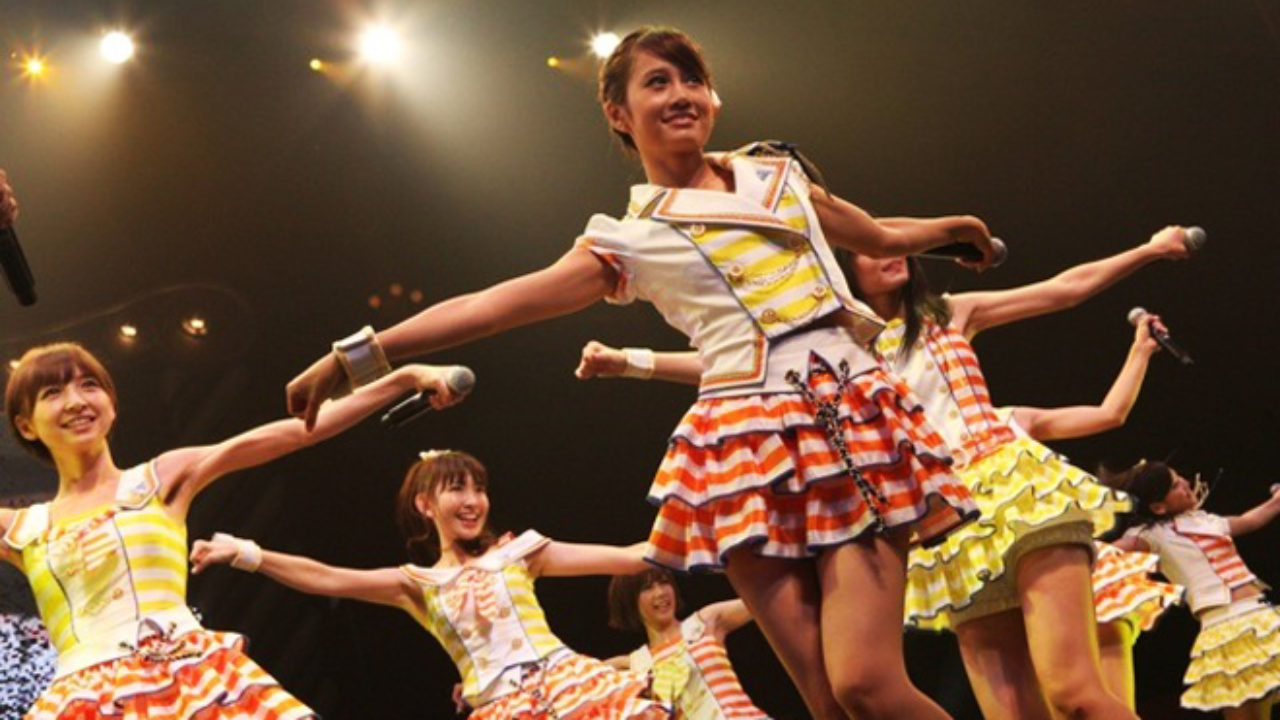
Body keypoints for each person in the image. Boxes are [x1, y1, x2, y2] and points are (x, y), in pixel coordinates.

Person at [285, 26, 996, 720]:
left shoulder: (778, 174)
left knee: (866, 685)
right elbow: (491, 306)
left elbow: (876, 234)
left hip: (846, 419)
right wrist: (358, 356)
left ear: (713, 98)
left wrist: (954, 229)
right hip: (742, 453)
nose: (681, 94)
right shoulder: (629, 237)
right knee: (828, 703)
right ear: (619, 115)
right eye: (658, 82)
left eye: (693, 80)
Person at [576, 314, 1183, 711]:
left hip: (998, 509)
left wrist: (1143, 301)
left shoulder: (1007, 422)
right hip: (952, 533)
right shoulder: (856, 386)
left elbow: (1097, 383)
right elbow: (740, 363)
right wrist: (634, 362)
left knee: (1077, 692)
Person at [0, 341, 463, 720]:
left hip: (192, 683)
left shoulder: (158, 479)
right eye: (52, 393)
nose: (77, 401)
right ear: (26, 425)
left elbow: (294, 432)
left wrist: (403, 378)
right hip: (86, 701)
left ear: (112, 405)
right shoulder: (24, 527)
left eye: (89, 385)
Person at [191, 449, 668, 720]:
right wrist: (246, 554)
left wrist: (697, 521)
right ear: (425, 504)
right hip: (501, 708)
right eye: (457, 488)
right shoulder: (418, 584)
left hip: (569, 683)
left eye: (479, 488)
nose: (473, 500)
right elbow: (327, 578)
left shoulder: (519, 553)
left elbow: (631, 557)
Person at [1105, 462, 1280, 719]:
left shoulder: (1205, 520)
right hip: (1224, 626)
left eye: (1180, 478)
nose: (1186, 484)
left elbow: (1247, 520)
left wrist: (1276, 502)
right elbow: (1114, 550)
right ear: (1158, 507)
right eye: (1175, 485)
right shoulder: (1151, 535)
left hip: (1262, 616)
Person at [606, 568, 769, 720]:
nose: (660, 592)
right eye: (647, 588)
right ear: (630, 601)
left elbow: (763, 598)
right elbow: (590, 679)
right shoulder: (637, 665)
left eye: (664, 582)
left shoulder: (703, 623)